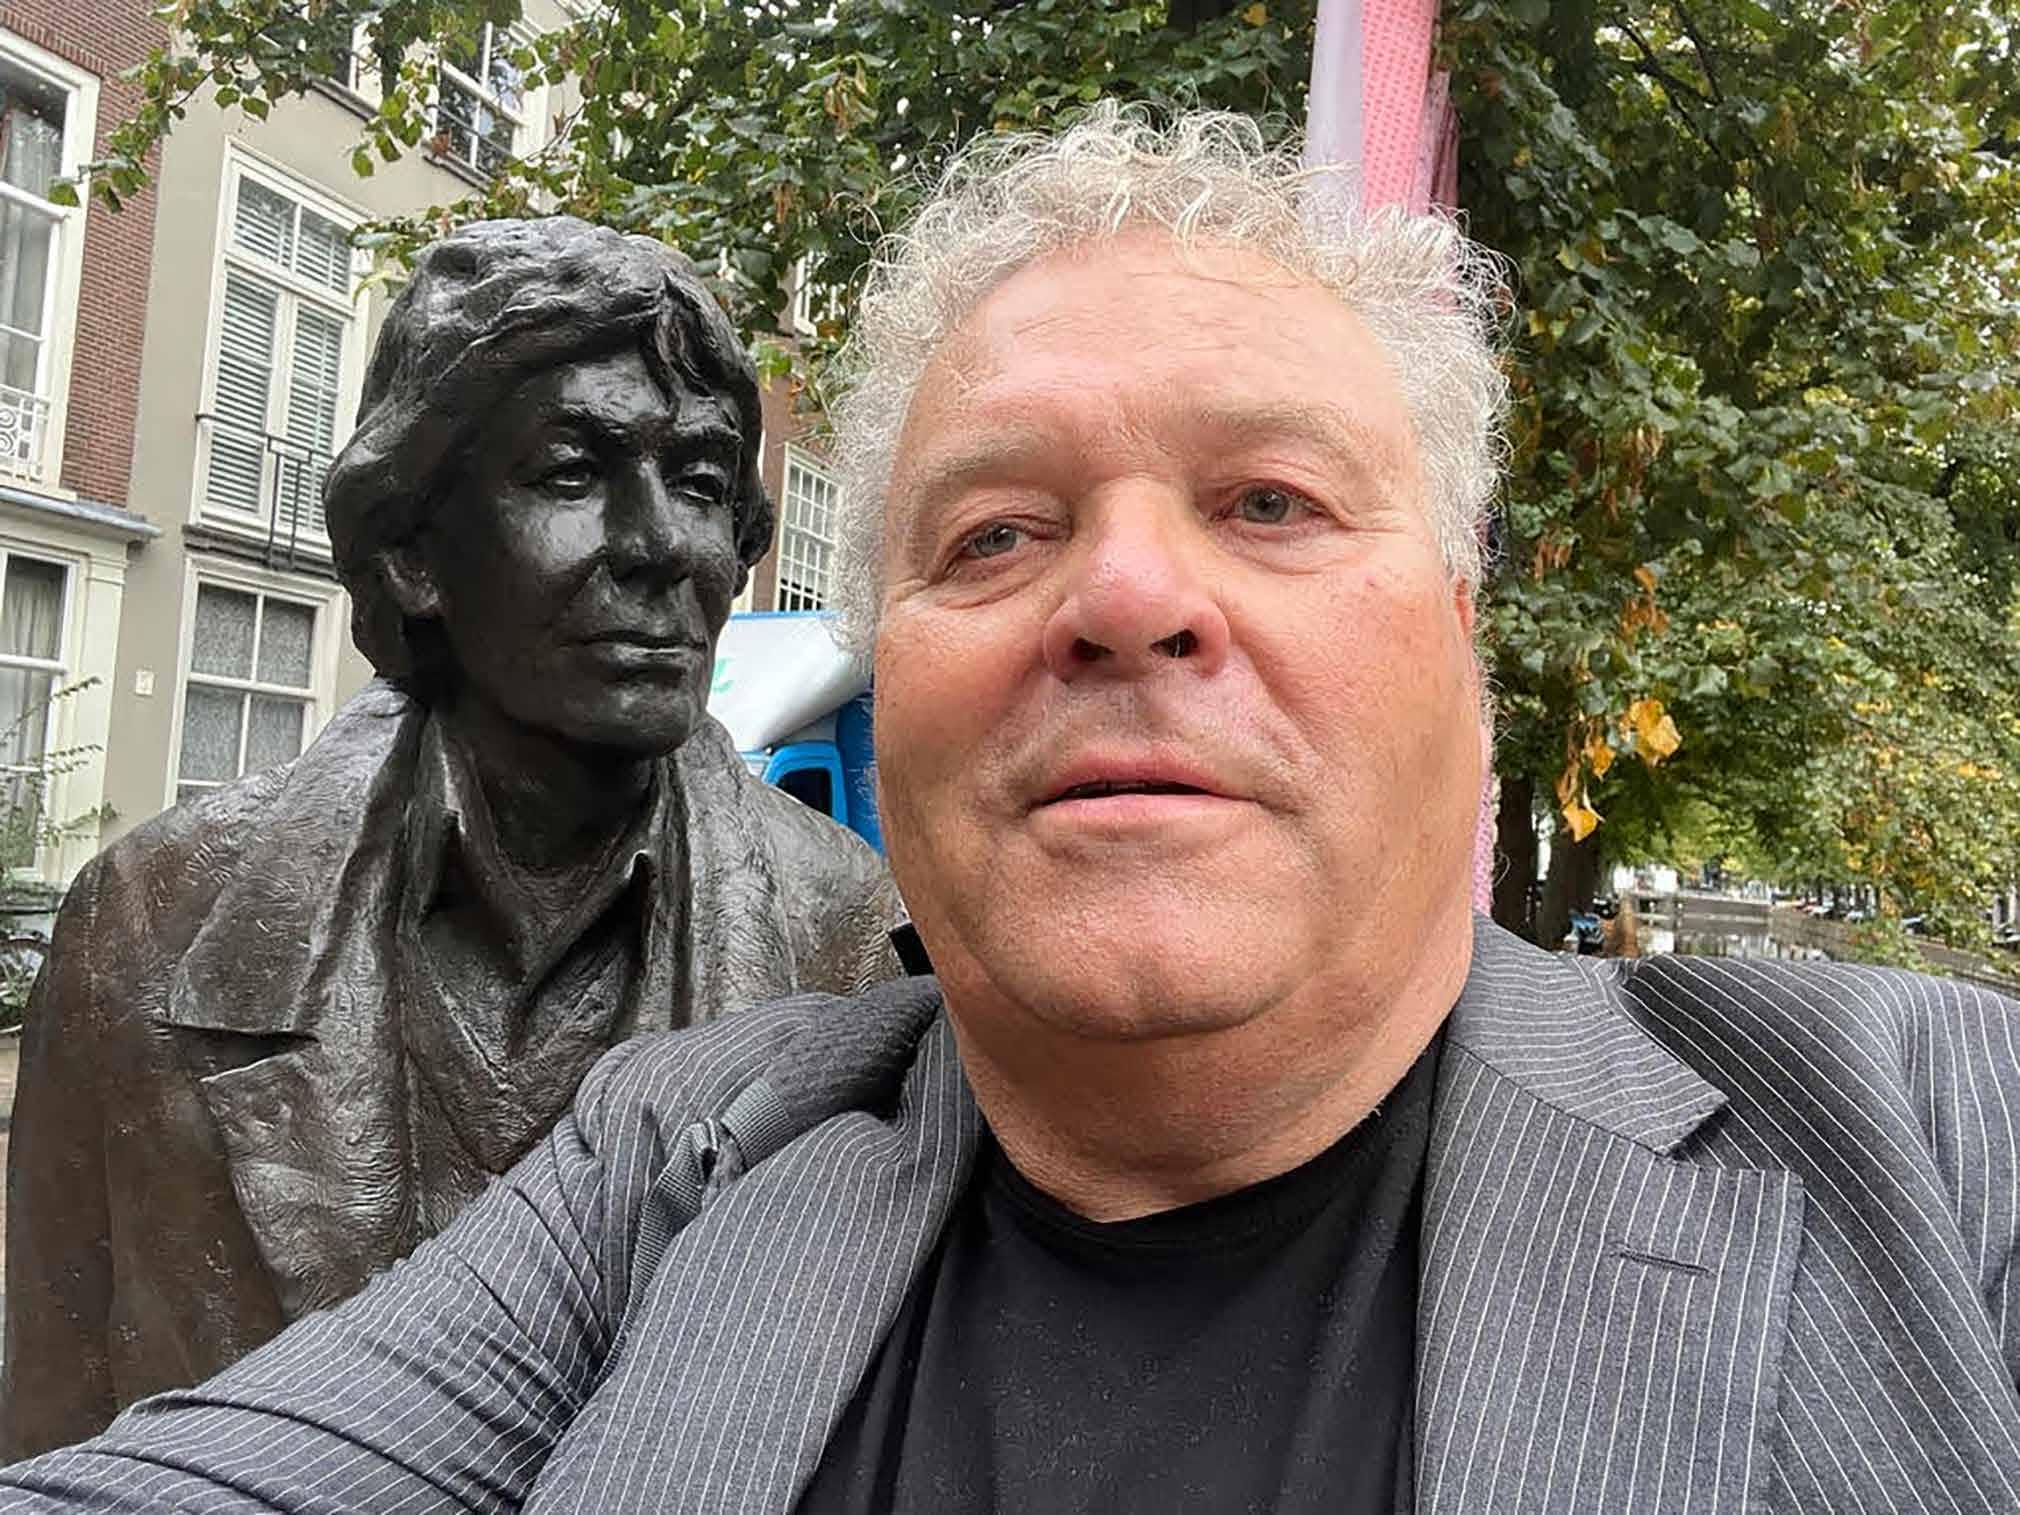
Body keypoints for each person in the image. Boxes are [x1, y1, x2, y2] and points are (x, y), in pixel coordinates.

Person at [6, 105, 2020, 1513]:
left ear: (1462, 635)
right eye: (995, 533)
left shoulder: (1938, 1153)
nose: (1126, 594)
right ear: (889, 674)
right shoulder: (674, 1161)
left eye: (1269, 502)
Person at [0, 219, 902, 1460]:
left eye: (701, 484)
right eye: (572, 474)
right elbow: (51, 1423)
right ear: (413, 550)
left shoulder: (851, 936)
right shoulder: (150, 922)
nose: (660, 546)